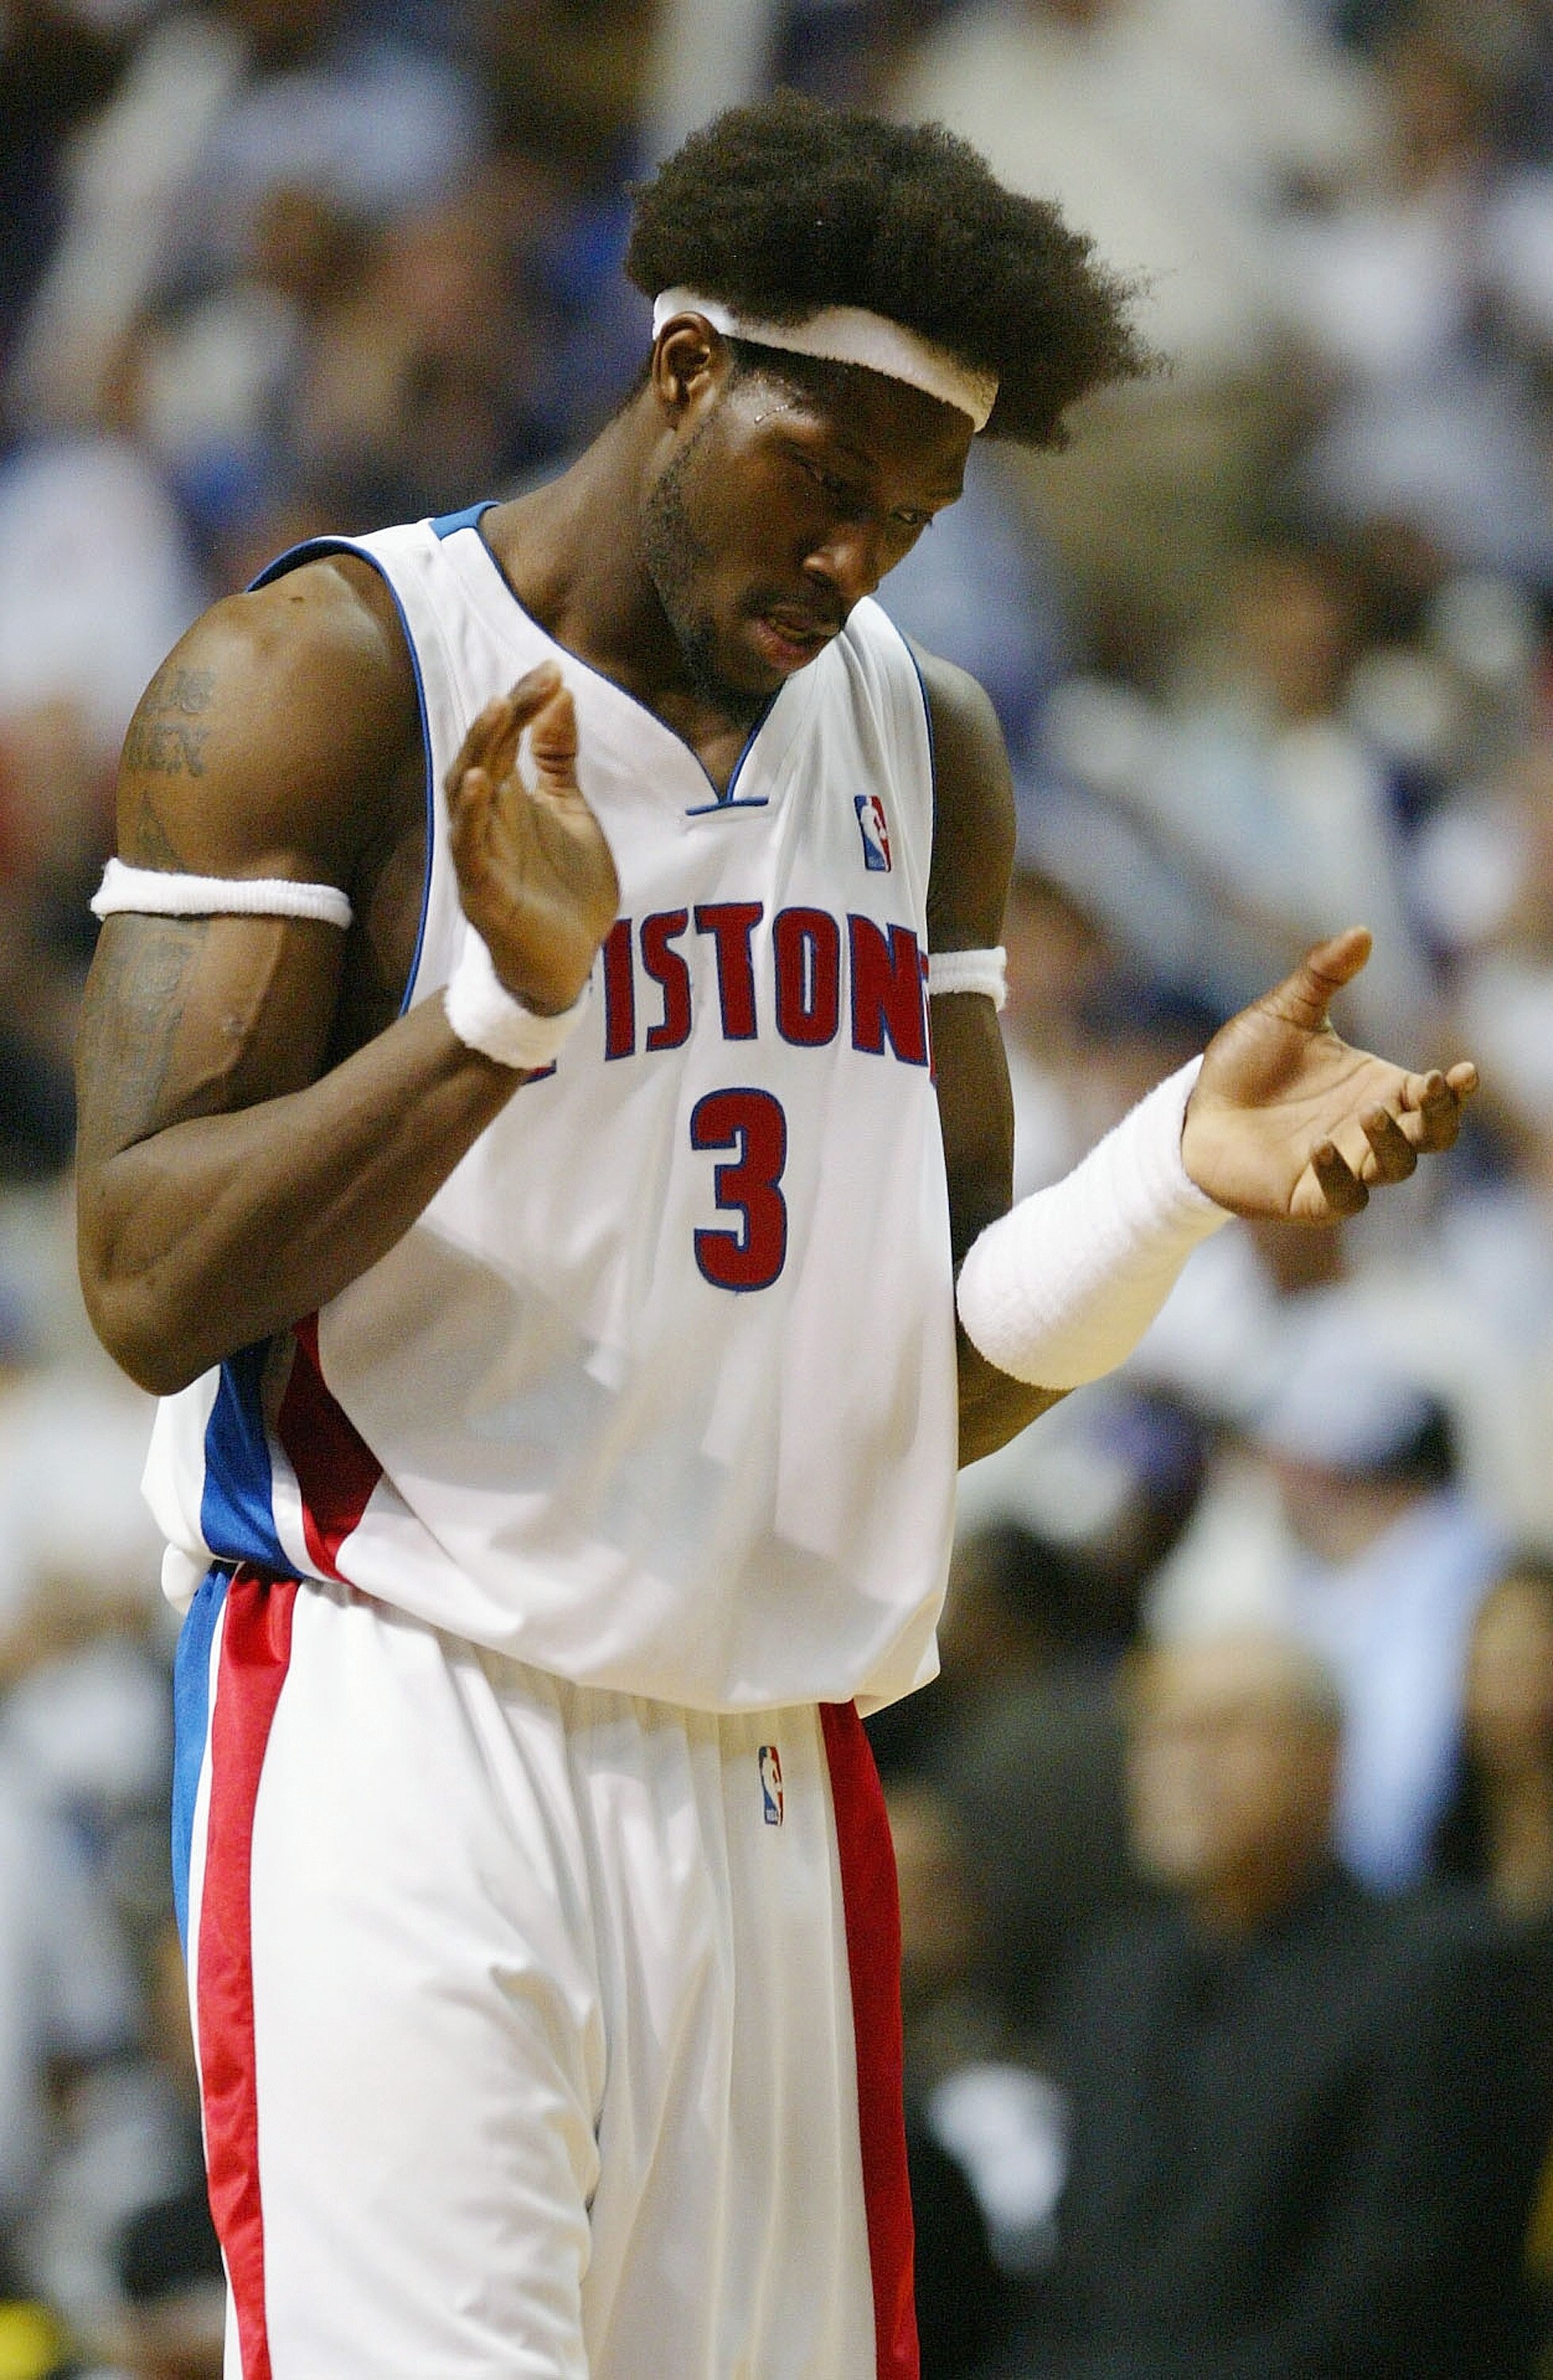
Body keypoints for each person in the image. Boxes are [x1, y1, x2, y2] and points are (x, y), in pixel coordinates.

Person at [73, 91, 1477, 2380]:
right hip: (409, 1715)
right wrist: (501, 1013)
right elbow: (142, 1284)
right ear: (682, 370)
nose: (855, 564)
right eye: (822, 485)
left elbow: (907, 1390)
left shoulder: (923, 752)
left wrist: (1167, 1186)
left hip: (767, 1767)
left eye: (910, 519)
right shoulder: (328, 672)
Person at [1024, 1627, 1546, 2380]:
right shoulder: (1109, 1981)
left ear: (1328, 1759)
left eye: (1226, 1731)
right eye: (1160, 1735)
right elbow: (1073, 2292)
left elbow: (1401, 2312)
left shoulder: (1445, 1973)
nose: (1183, 1766)